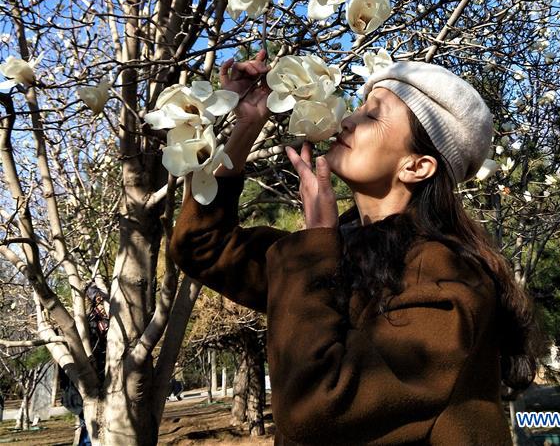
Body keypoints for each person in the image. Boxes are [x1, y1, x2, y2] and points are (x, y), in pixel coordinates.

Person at [169, 49, 540, 445]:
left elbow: (319, 409)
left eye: (373, 115)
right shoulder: (340, 249)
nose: (347, 119)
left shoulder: (447, 280)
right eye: (360, 108)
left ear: (417, 166)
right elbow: (201, 245)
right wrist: (247, 125)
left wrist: (315, 247)